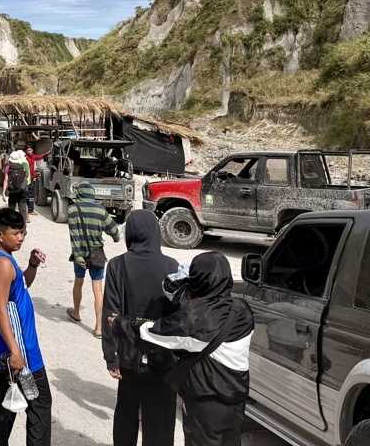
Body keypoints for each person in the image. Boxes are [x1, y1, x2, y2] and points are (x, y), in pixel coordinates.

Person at [112, 252, 255, 446]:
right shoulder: (242, 309)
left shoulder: (196, 318)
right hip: (236, 398)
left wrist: (121, 323)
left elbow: (155, 334)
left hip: (206, 401)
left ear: (198, 280)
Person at [102, 210, 180, 446]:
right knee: (161, 420)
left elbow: (109, 313)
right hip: (162, 357)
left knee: (126, 414)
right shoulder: (171, 265)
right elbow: (176, 315)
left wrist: (111, 358)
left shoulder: (117, 265)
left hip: (129, 356)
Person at [0, 207, 50, 446]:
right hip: (20, 347)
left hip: (5, 344)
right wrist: (15, 352)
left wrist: (32, 265)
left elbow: (20, 286)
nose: (21, 238)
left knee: (6, 401)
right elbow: (1, 309)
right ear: (0, 235)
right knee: (39, 404)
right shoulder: (1, 263)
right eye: (15, 233)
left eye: (23, 232)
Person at [66, 182, 120, 337]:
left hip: (80, 254)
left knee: (78, 282)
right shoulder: (101, 211)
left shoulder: (72, 210)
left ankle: (76, 313)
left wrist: (78, 256)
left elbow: (74, 236)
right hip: (97, 254)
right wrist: (116, 237)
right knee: (98, 290)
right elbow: (114, 231)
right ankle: (98, 327)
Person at [1, 150, 30, 226]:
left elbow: (6, 180)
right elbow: (26, 176)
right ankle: (23, 229)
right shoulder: (23, 165)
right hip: (22, 191)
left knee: (11, 210)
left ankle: (12, 227)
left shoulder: (8, 167)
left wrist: (3, 192)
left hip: (13, 191)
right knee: (22, 210)